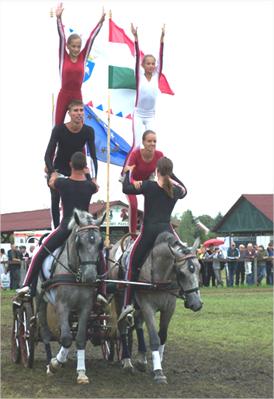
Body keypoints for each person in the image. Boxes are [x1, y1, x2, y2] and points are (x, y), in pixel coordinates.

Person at [16, 152, 98, 296]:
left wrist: (52, 172)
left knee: (40, 253)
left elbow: (51, 182)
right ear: (85, 167)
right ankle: (101, 291)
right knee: (98, 255)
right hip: (84, 228)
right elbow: (95, 186)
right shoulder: (89, 186)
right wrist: (89, 175)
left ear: (70, 165)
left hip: (66, 226)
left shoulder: (62, 183)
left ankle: (27, 284)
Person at [119, 156, 187, 321]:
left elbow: (127, 189)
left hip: (148, 232)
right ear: (170, 173)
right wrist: (172, 175)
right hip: (167, 232)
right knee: (184, 259)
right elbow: (185, 190)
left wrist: (129, 172)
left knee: (132, 263)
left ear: (157, 171)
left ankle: (127, 303)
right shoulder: (176, 190)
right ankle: (187, 293)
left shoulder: (148, 186)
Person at [45, 99, 98, 228]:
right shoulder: (59, 129)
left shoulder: (88, 131)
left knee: (86, 194)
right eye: (75, 110)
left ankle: (83, 226)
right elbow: (47, 155)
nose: (79, 113)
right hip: (59, 169)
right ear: (69, 113)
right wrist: (52, 173)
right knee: (55, 198)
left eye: (81, 110)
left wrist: (94, 178)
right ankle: (56, 229)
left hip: (77, 169)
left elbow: (93, 157)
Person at [124, 130, 187, 235]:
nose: (152, 144)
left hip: (148, 180)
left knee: (157, 203)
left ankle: (165, 226)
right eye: (149, 141)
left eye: (154, 141)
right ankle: (132, 234)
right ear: (143, 142)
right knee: (134, 205)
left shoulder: (159, 154)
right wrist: (134, 181)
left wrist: (171, 177)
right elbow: (128, 171)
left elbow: (164, 170)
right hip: (133, 181)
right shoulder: (135, 154)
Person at [54, 3, 105, 125]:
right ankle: (57, 145)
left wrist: (100, 23)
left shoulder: (83, 57)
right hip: (64, 94)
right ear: (68, 46)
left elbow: (91, 38)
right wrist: (58, 19)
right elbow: (61, 36)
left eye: (78, 46)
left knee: (80, 127)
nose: (76, 49)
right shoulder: (63, 56)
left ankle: (81, 145)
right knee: (57, 126)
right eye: (73, 46)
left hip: (77, 94)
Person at [130, 23, 165, 149]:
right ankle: (128, 169)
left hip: (150, 115)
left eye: (153, 64)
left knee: (152, 144)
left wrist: (161, 41)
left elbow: (161, 58)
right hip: (138, 114)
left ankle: (154, 169)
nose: (151, 66)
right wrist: (136, 38)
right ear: (143, 65)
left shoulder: (156, 76)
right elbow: (137, 57)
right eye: (148, 63)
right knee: (137, 145)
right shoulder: (139, 76)